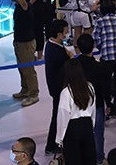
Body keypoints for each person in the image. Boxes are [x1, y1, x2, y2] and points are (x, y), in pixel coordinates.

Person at [56, 57, 97, 164]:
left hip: (72, 128)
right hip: (87, 125)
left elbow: (63, 115)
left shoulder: (66, 92)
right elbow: (93, 109)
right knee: (89, 158)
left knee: (73, 160)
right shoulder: (90, 87)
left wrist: (60, 138)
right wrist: (91, 125)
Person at [76, 34, 109, 165]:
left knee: (79, 132)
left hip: (78, 103)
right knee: (97, 133)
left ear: (78, 48)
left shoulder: (73, 66)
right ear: (93, 46)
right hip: (97, 104)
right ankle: (99, 158)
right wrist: (109, 103)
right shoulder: (99, 67)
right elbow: (105, 88)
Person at [93, 0, 116, 118]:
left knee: (105, 83)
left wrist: (102, 48)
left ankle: (108, 105)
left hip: (107, 57)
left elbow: (96, 38)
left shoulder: (100, 21)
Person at [45, 18, 72, 155]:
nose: (67, 34)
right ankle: (51, 145)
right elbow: (68, 66)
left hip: (56, 86)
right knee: (57, 116)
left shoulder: (51, 45)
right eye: (66, 32)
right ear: (59, 34)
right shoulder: (57, 52)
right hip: (59, 88)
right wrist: (71, 58)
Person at [11, 0, 40, 107]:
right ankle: (25, 89)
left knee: (28, 70)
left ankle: (34, 94)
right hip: (19, 41)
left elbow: (23, 3)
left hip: (26, 43)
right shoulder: (18, 7)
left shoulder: (26, 6)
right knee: (21, 68)